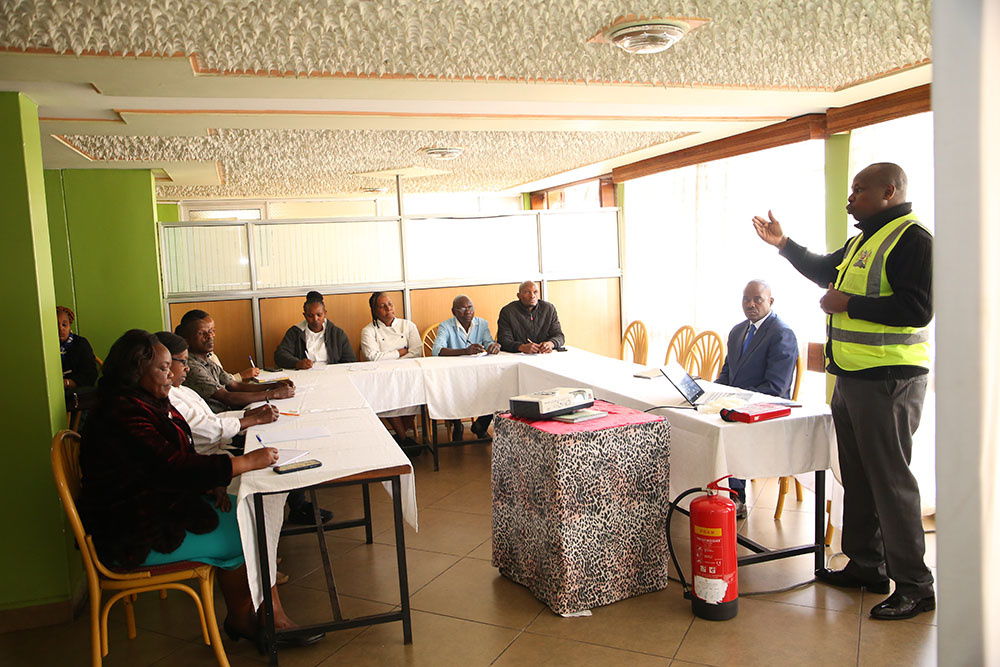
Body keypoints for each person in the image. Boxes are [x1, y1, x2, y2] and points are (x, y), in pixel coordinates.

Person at [752, 162, 934, 620]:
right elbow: (823, 269)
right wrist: (784, 245)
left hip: (890, 381)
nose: (851, 197)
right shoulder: (864, 240)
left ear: (889, 191)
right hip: (852, 378)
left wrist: (849, 303)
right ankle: (866, 566)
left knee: (891, 483)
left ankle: (915, 584)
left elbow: (918, 307)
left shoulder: (913, 238)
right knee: (857, 476)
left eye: (859, 190)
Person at [78, 329, 322, 647]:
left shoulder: (138, 402)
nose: (171, 376)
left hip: (151, 511)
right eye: (164, 368)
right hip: (133, 534)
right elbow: (172, 466)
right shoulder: (123, 414)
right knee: (249, 526)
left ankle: (246, 617)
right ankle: (265, 618)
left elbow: (168, 463)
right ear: (136, 369)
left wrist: (211, 484)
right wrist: (245, 463)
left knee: (247, 513)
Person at [715, 280, 799, 516]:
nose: (750, 304)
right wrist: (711, 395)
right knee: (703, 424)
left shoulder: (782, 334)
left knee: (728, 432)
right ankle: (711, 491)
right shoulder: (737, 330)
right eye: (746, 299)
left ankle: (735, 497)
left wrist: (736, 401)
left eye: (757, 299)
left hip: (766, 410)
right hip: (735, 406)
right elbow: (726, 374)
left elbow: (776, 387)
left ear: (770, 302)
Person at [156, 331, 278, 456]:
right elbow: (203, 427)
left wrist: (247, 414)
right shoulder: (166, 399)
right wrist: (254, 419)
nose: (187, 368)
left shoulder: (182, 389)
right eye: (183, 362)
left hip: (221, 446)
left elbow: (211, 418)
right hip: (206, 459)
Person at [176, 310, 295, 413]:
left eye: (211, 331)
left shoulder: (207, 359)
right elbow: (227, 397)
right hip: (219, 419)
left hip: (229, 413)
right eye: (202, 333)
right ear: (187, 341)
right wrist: (274, 394)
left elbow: (235, 386)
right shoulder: (192, 366)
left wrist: (274, 385)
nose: (210, 336)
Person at [431, 295, 501, 440]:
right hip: (454, 376)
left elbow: (488, 342)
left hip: (478, 373)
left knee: (494, 386)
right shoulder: (446, 326)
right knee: (452, 390)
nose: (467, 311)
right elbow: (436, 350)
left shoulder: (482, 324)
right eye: (462, 308)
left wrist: (493, 346)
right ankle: (457, 424)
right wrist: (464, 351)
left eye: (470, 307)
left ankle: (481, 424)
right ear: (453, 311)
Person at [360, 292, 422, 447]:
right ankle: (403, 438)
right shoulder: (368, 330)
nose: (388, 308)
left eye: (390, 304)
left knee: (417, 394)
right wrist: (400, 352)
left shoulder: (408, 325)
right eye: (382, 306)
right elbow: (373, 357)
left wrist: (392, 358)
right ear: (374, 311)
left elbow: (416, 352)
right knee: (384, 396)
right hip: (382, 375)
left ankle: (400, 438)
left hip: (408, 372)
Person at [274, 291, 356, 369]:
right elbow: (280, 355)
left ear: (325, 313)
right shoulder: (295, 332)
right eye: (310, 315)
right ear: (305, 315)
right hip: (304, 375)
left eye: (319, 315)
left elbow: (350, 360)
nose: (315, 319)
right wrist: (297, 363)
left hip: (331, 376)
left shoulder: (337, 333)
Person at [496, 281, 565, 354]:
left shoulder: (549, 309)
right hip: (518, 356)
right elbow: (503, 341)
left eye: (535, 292)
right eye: (527, 292)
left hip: (544, 355)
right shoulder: (508, 311)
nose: (532, 296)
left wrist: (550, 344)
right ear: (519, 296)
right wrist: (521, 347)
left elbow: (559, 336)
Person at [57, 305, 99, 396]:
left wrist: (67, 383)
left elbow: (90, 374)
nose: (61, 328)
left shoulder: (80, 344)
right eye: (56, 325)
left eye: (64, 325)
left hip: (77, 392)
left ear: (69, 326)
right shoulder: (45, 347)